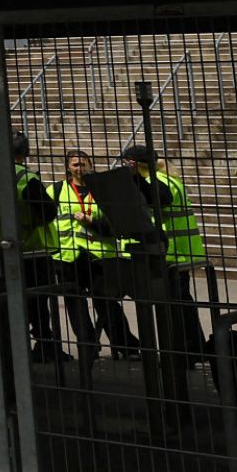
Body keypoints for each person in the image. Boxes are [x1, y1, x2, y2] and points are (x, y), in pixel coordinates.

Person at [120, 142, 206, 360]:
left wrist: (135, 180)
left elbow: (161, 199)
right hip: (175, 253)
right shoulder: (166, 178)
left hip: (168, 254)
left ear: (134, 164)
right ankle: (193, 348)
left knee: (173, 306)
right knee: (180, 303)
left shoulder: (157, 182)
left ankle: (184, 351)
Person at [53, 150, 141, 360]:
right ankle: (88, 345)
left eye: (83, 164)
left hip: (99, 255)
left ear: (90, 165)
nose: (79, 168)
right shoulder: (56, 190)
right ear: (68, 167)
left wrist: (91, 223)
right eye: (75, 165)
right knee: (75, 301)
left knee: (106, 300)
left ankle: (126, 346)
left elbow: (116, 224)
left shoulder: (103, 191)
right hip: (68, 255)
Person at [0, 134, 63, 361]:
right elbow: (48, 213)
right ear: (25, 153)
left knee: (4, 299)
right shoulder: (25, 177)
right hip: (30, 247)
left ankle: (7, 346)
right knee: (37, 301)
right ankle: (43, 344)